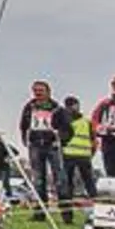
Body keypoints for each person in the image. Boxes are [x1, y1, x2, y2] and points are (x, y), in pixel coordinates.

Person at [19, 80, 73, 221]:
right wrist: (26, 140)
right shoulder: (29, 108)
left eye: (41, 91)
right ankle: (40, 213)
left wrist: (60, 139)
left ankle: (66, 214)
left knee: (60, 180)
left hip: (53, 146)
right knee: (38, 180)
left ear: (48, 92)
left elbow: (68, 129)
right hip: (35, 146)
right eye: (35, 91)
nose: (38, 93)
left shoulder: (57, 109)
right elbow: (23, 125)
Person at [62, 96, 98, 206]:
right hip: (72, 155)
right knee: (71, 183)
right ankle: (68, 205)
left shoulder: (86, 122)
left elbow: (93, 140)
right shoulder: (67, 121)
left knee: (88, 181)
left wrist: (91, 152)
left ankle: (94, 203)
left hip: (79, 156)